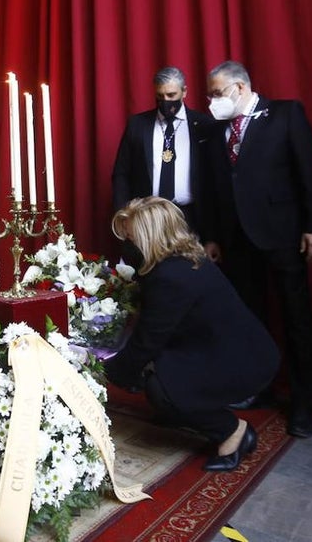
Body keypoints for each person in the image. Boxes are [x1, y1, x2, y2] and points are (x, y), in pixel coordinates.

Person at [200, 61, 312, 439]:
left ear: (240, 88)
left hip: (283, 235)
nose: (211, 100)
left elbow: (310, 171)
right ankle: (258, 387)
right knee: (249, 320)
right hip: (237, 240)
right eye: (209, 93)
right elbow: (211, 187)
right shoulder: (214, 130)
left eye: (217, 92)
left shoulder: (286, 114)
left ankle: (305, 401)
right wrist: (212, 236)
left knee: (297, 319)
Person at [104, 197, 279, 472]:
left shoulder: (171, 276)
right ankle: (186, 409)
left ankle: (233, 431)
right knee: (158, 378)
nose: (127, 245)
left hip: (240, 362)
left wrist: (103, 373)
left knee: (161, 390)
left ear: (152, 237)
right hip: (223, 350)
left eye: (131, 238)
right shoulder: (181, 259)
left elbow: (146, 343)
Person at [111, 67, 212, 232]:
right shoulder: (138, 125)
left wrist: (212, 235)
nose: (165, 101)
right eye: (160, 96)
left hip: (191, 217)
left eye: (171, 95)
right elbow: (121, 174)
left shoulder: (204, 125)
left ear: (184, 91)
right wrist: (123, 215)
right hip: (147, 218)